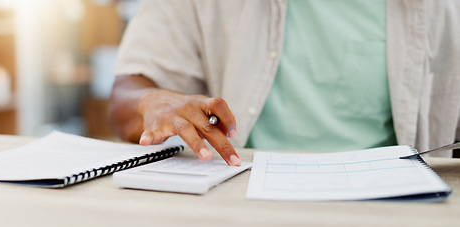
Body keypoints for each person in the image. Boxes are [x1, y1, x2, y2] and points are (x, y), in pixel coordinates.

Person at [109, 0, 460, 166]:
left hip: (390, 207)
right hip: (237, 196)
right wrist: (153, 102)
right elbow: (124, 99)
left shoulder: (443, 8)